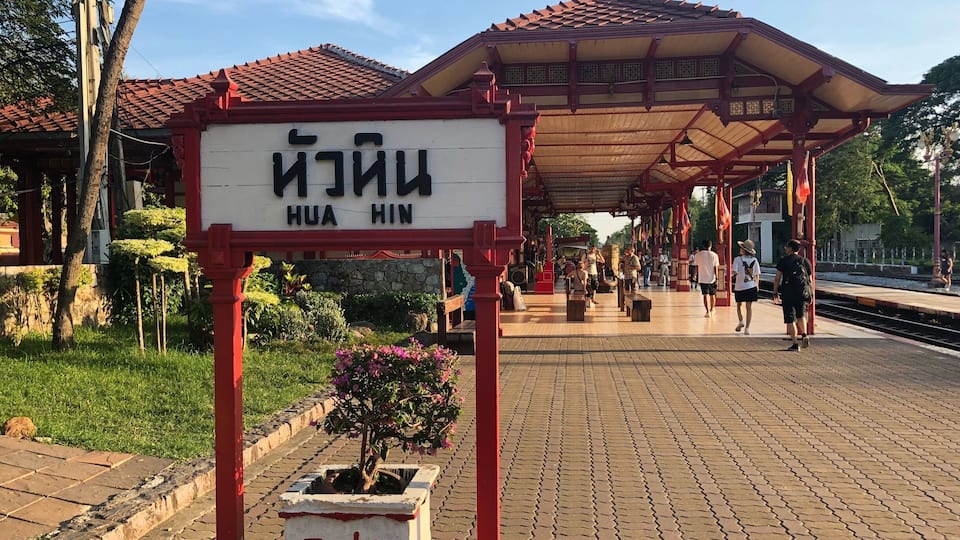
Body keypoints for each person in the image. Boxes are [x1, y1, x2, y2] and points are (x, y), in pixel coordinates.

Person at [773, 239, 813, 351]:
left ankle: (795, 343)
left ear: (790, 248)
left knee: (790, 318)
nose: (785, 248)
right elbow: (810, 280)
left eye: (786, 247)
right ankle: (804, 334)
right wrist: (811, 293)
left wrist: (775, 292)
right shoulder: (805, 261)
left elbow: (777, 279)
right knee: (801, 315)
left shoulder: (784, 261)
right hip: (801, 292)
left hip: (788, 293)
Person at [732, 239, 761, 335]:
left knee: (739, 305)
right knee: (749, 307)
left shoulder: (737, 259)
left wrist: (734, 275)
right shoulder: (755, 260)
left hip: (739, 286)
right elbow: (757, 275)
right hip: (751, 286)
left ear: (744, 250)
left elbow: (734, 272)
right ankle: (747, 328)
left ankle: (741, 321)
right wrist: (757, 285)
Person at [693, 240, 720, 316]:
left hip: (703, 278)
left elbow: (696, 267)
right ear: (710, 246)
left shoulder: (698, 255)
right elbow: (715, 268)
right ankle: (712, 309)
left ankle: (707, 311)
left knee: (705, 295)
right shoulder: (714, 255)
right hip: (712, 278)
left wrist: (694, 275)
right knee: (712, 294)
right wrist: (717, 278)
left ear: (703, 246)